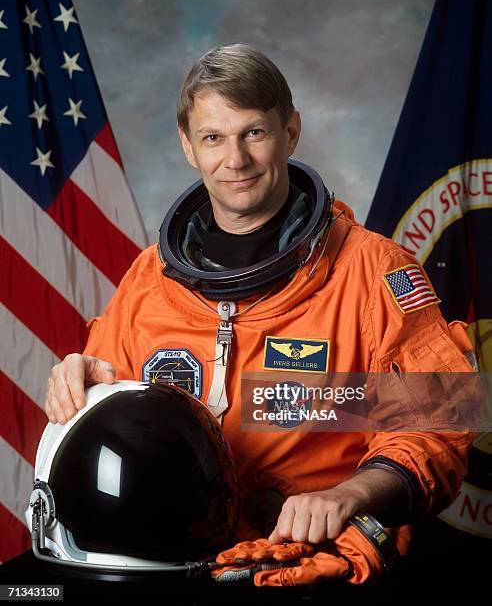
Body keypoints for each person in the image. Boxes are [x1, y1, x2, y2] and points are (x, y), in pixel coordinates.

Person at [43, 44, 476, 581]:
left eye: (253, 132)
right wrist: (85, 388)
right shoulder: (150, 281)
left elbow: (440, 423)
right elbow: (112, 418)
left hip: (315, 566)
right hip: (170, 566)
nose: (235, 160)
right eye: (213, 138)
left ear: (290, 131)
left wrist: (351, 493)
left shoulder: (372, 274)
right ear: (188, 146)